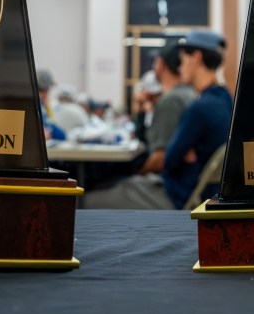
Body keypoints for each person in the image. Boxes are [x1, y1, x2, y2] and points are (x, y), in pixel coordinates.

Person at [86, 30, 232, 209]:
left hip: (175, 195)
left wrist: (179, 151)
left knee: (87, 199)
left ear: (196, 57)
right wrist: (184, 150)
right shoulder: (225, 98)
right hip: (200, 192)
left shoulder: (199, 107)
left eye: (183, 61)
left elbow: (169, 160)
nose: (180, 68)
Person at [137, 43, 196, 174]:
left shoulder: (170, 101)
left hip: (169, 180)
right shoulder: (191, 93)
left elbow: (159, 158)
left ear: (161, 64)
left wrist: (138, 173)